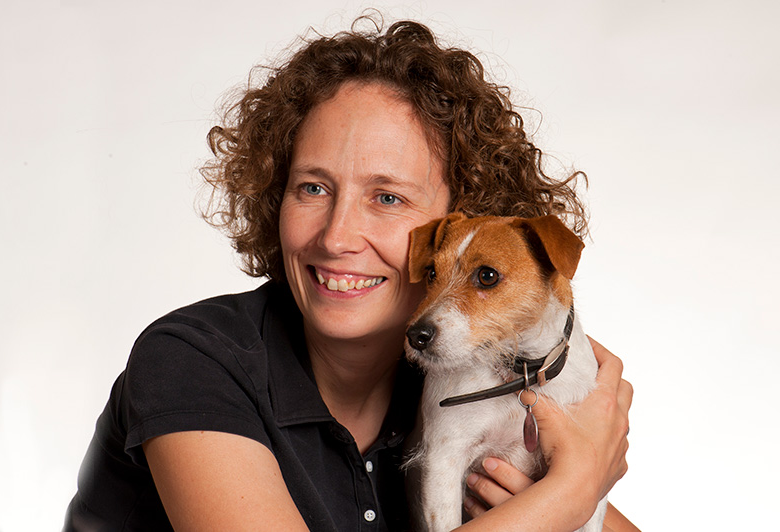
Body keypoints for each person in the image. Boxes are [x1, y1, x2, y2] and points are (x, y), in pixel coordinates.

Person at [64, 14, 634, 532]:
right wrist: (572, 489)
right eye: (312, 187)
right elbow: (566, 500)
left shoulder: (466, 376)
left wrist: (563, 486)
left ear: (463, 224)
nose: (335, 237)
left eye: (387, 198)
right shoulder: (193, 360)